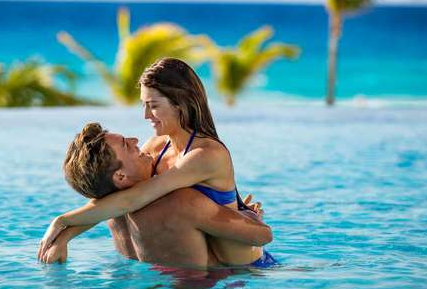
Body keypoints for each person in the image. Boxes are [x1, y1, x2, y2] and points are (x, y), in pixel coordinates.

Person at [38, 58, 277, 267]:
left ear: (180, 104)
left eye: (153, 106)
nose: (145, 115)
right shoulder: (156, 147)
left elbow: (132, 199)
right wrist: (66, 235)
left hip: (246, 266)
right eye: (144, 105)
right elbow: (113, 197)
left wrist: (62, 221)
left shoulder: (206, 155)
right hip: (207, 263)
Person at [38, 122, 272, 270]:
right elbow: (263, 235)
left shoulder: (110, 213)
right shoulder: (183, 203)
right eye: (126, 145)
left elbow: (107, 205)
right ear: (120, 176)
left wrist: (63, 235)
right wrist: (247, 216)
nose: (136, 141)